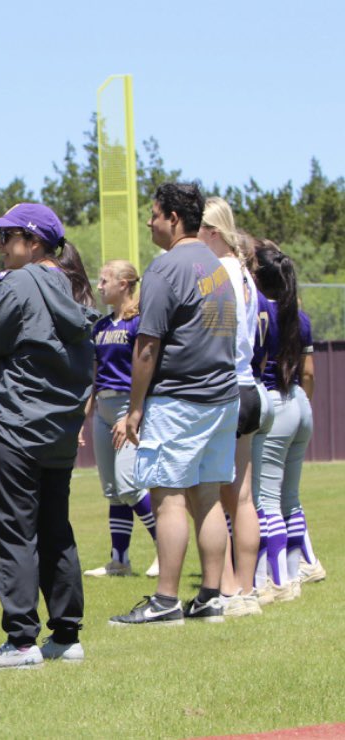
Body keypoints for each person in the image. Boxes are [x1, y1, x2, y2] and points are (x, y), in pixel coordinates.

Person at [0, 202, 98, 669]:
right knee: (55, 531)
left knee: (11, 532)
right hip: (56, 431)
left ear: (33, 241)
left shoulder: (19, 283)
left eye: (6, 237)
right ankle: (66, 635)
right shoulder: (71, 287)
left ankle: (21, 642)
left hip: (12, 424)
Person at [109, 182, 238, 627]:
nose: (149, 221)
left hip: (179, 399)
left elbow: (147, 347)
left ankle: (165, 601)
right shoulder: (215, 264)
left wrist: (135, 408)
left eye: (154, 214)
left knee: (166, 499)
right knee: (207, 498)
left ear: (174, 219)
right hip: (221, 398)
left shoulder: (165, 270)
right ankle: (210, 598)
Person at [196, 198, 263, 617]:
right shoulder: (248, 275)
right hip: (250, 387)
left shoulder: (218, 272)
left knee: (212, 495)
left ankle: (228, 587)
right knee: (243, 498)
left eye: (198, 229)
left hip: (225, 388)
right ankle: (248, 588)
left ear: (213, 232)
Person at [250, 243, 324, 601]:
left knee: (265, 500)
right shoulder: (300, 316)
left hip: (274, 404)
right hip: (298, 401)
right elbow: (308, 372)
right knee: (290, 498)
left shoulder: (259, 313)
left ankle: (277, 581)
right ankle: (297, 568)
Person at [83, 260, 158, 579]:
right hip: (103, 409)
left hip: (129, 407)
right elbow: (95, 376)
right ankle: (120, 560)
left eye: (104, 280)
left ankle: (164, 548)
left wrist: (130, 414)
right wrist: (82, 418)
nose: (99, 286)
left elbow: (148, 370)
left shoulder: (139, 322)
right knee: (113, 490)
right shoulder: (100, 327)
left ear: (125, 283)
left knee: (130, 485)